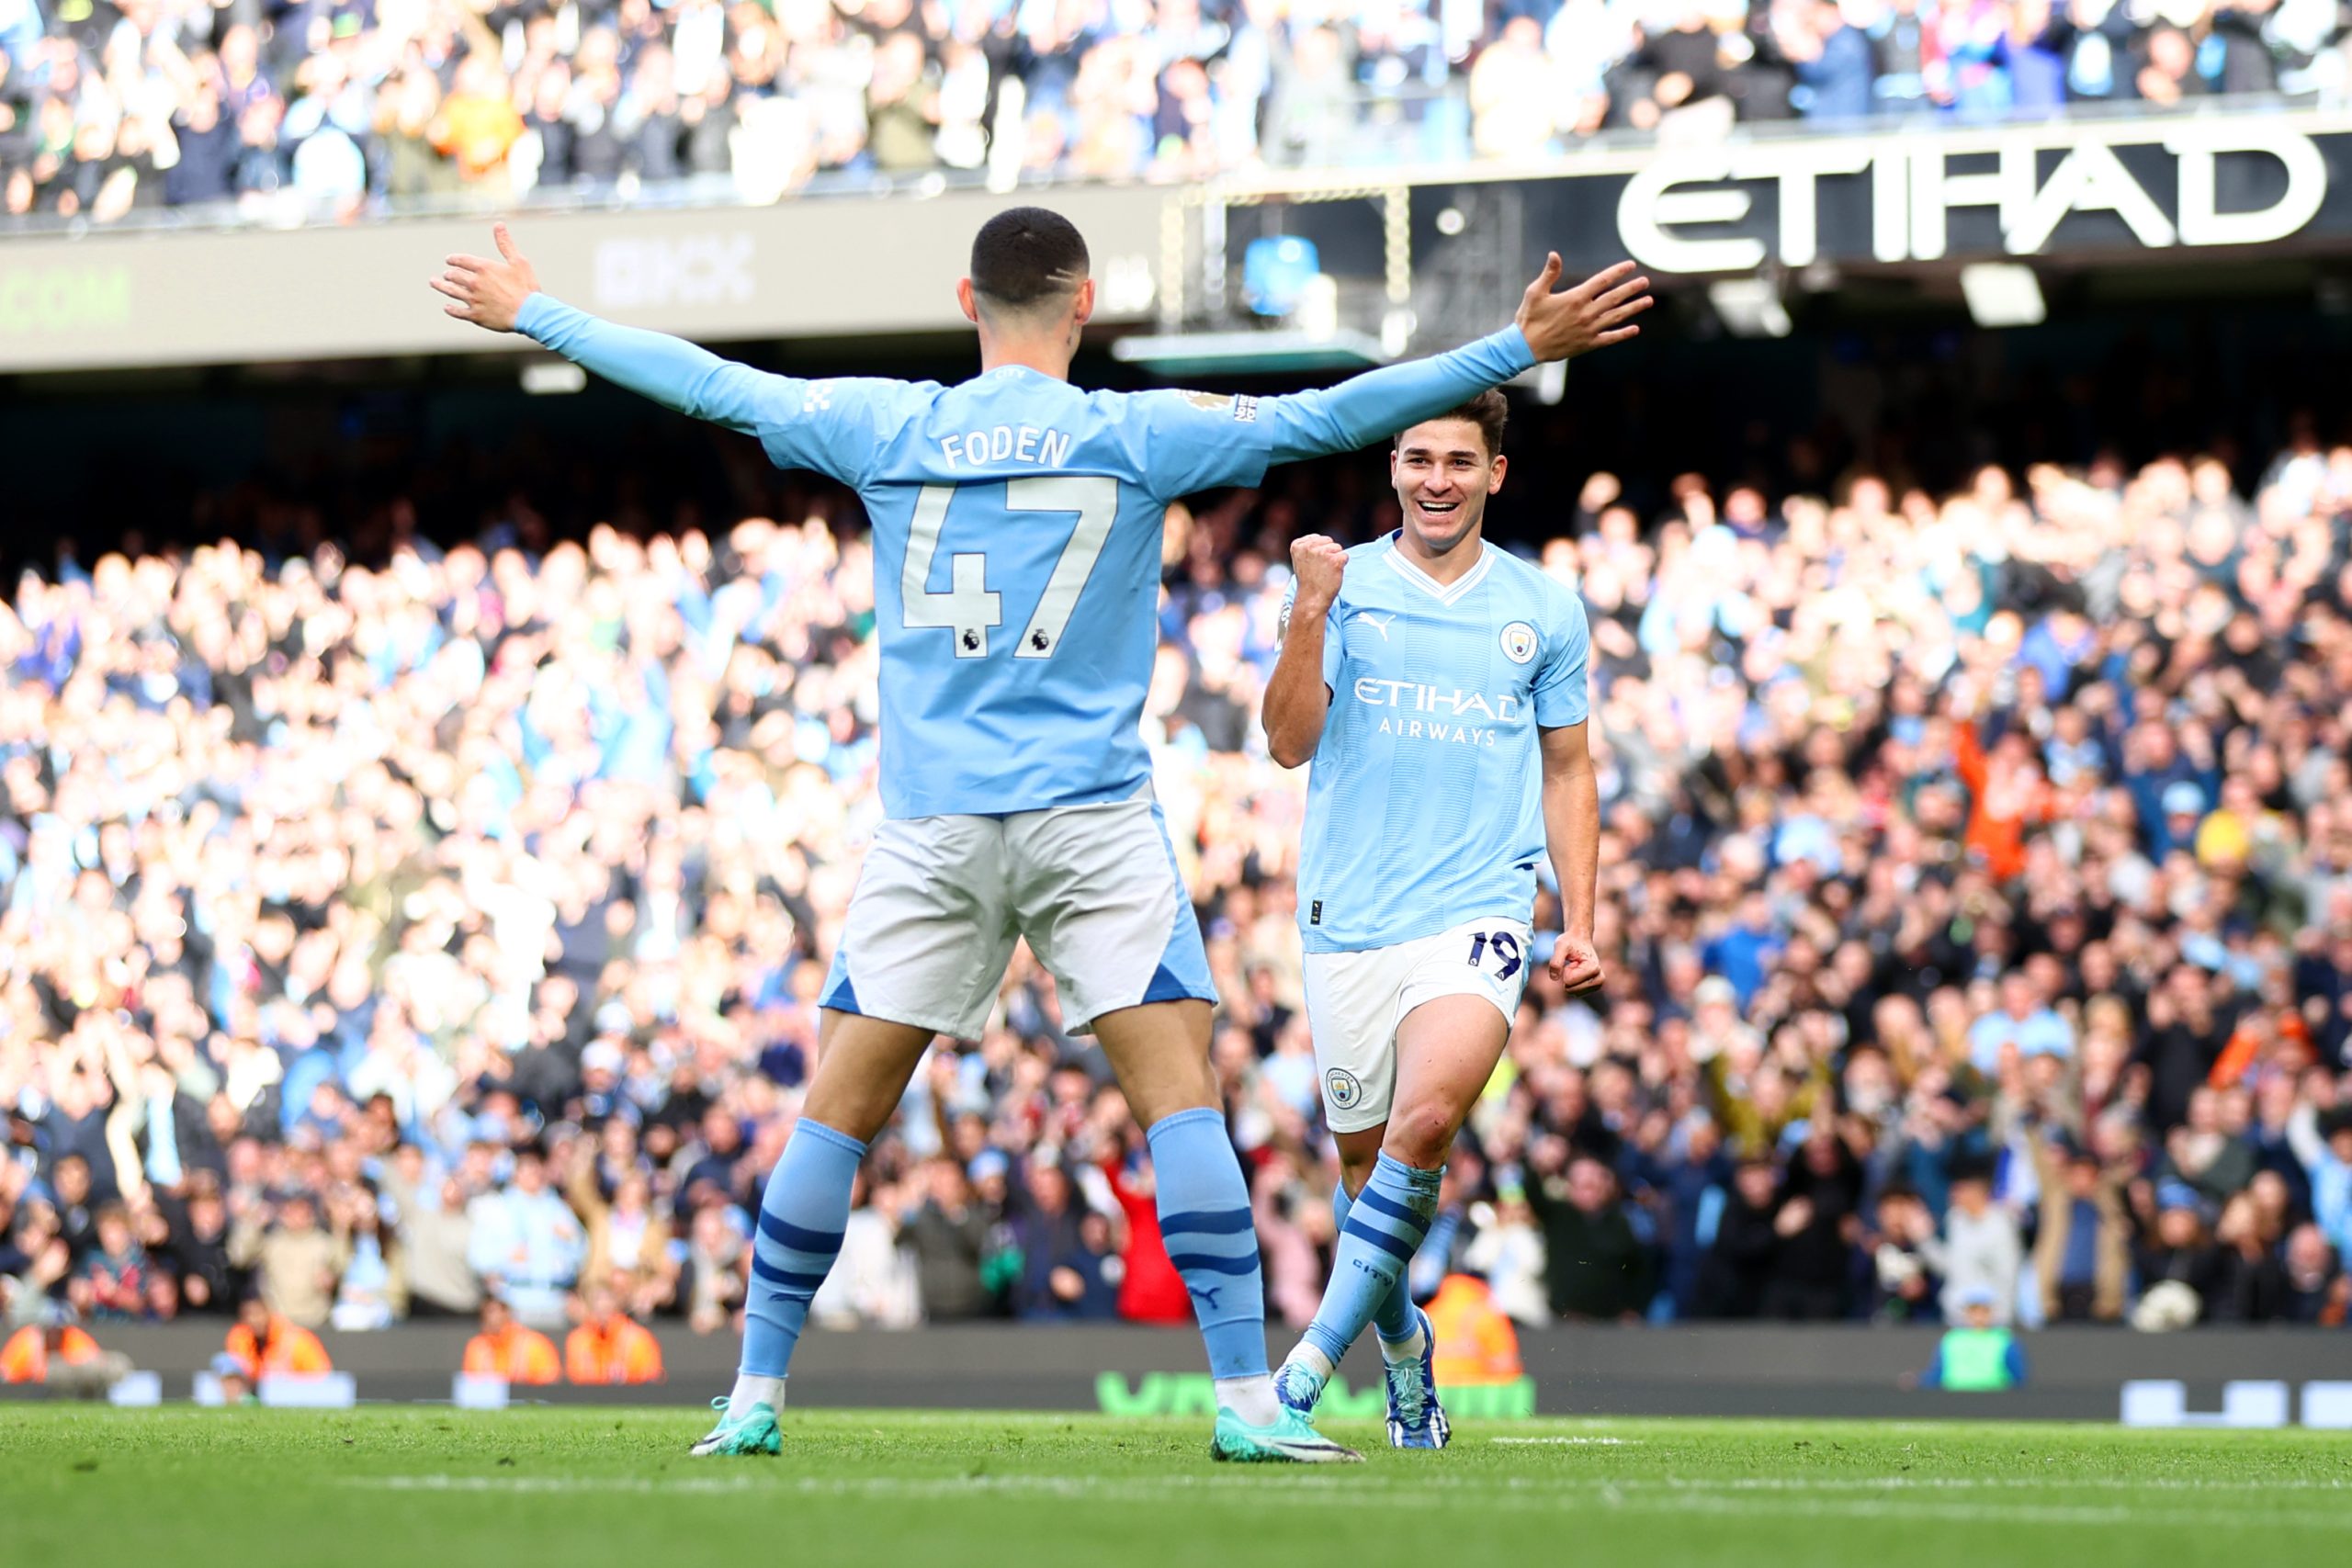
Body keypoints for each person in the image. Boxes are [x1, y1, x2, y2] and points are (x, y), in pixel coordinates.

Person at [432, 207, 1650, 1464]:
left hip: (935, 823)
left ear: (971, 299)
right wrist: (1509, 344)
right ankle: (1245, 1400)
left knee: (835, 1114)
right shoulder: (1133, 435)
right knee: (1182, 1102)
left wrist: (536, 311)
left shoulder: (887, 424)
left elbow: (709, 384)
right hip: (1091, 819)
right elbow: (1330, 413)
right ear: (1084, 305)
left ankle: (753, 1391)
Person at [1259, 381, 1613, 1449]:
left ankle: (1296, 1386)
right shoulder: (1339, 582)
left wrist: (1579, 917)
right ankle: (1406, 1354)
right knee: (1371, 1183)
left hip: (1479, 908)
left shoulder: (1542, 605)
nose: (1436, 481)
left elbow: (1569, 769)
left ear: (1494, 474)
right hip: (1347, 916)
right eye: (1418, 460)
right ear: (1394, 469)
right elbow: (1285, 742)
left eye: (1458, 462)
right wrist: (1310, 610)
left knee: (1425, 1128)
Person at [1916, 1284, 2027, 1391]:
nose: (1978, 1316)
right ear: (1966, 1312)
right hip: (1954, 1400)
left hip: (1993, 1400)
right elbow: (1938, 1373)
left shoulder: (2004, 1339)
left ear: (1992, 1311)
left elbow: (2017, 1377)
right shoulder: (1951, 1339)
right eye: (1974, 1310)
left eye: (1984, 1310)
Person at [564, 1285, 665, 1384]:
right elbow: (576, 1376)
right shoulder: (579, 1339)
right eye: (598, 1311)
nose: (603, 1319)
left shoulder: (638, 1338)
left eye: (607, 1310)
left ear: (616, 1308)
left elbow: (652, 1376)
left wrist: (627, 1376)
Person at [223, 1292, 334, 1381]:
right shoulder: (240, 1337)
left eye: (258, 1313)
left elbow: (321, 1374)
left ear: (268, 1312)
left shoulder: (295, 1339)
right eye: (248, 1315)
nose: (254, 1320)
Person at [462, 1294, 562, 1384]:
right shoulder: (477, 1345)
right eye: (483, 1313)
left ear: (507, 1313)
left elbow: (550, 1377)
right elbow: (471, 1381)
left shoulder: (533, 1342)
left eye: (492, 1311)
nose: (487, 1318)